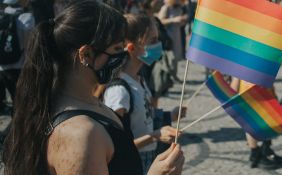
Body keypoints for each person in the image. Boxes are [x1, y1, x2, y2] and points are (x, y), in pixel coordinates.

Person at [2, 1, 184, 175]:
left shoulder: (86, 102)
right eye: (117, 49)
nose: (123, 57)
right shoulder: (81, 136)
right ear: (86, 55)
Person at [103, 13, 186, 174]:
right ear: (131, 47)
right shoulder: (119, 91)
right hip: (132, 165)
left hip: (148, 159)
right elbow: (115, 147)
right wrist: (154, 136)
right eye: (152, 41)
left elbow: (143, 117)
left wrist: (171, 115)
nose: (159, 45)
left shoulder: (139, 79)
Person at [230, 78, 282, 170]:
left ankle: (266, 148)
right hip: (249, 94)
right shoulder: (243, 66)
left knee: (267, 121)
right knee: (251, 124)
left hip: (264, 92)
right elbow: (234, 87)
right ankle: (254, 153)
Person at [0, 0, 35, 115]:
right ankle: (24, 126)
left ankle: (15, 123)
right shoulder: (27, 18)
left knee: (14, 97)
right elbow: (29, 44)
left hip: (3, 67)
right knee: (25, 100)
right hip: (21, 66)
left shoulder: (2, 16)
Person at [158, 0, 187, 81]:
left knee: (176, 56)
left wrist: (182, 21)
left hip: (177, 35)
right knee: (170, 57)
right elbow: (160, 21)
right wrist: (173, 20)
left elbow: (180, 22)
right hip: (168, 36)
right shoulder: (166, 7)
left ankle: (174, 75)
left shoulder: (179, 8)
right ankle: (167, 77)